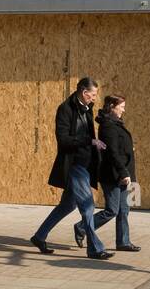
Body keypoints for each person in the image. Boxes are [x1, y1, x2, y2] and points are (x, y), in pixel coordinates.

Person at [29, 77, 112, 259]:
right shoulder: (65, 109)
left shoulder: (87, 109)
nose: (94, 98)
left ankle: (39, 236)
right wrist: (88, 141)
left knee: (67, 205)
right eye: (93, 94)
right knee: (88, 206)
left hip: (84, 165)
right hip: (73, 165)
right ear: (84, 92)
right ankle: (95, 249)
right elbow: (63, 140)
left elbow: (89, 132)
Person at [75, 94, 139, 252]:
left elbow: (119, 148)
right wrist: (123, 172)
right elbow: (112, 152)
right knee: (112, 210)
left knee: (125, 209)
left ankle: (123, 242)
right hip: (113, 174)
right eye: (121, 107)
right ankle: (82, 227)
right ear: (112, 107)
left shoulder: (116, 123)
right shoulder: (108, 126)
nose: (123, 110)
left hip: (125, 173)